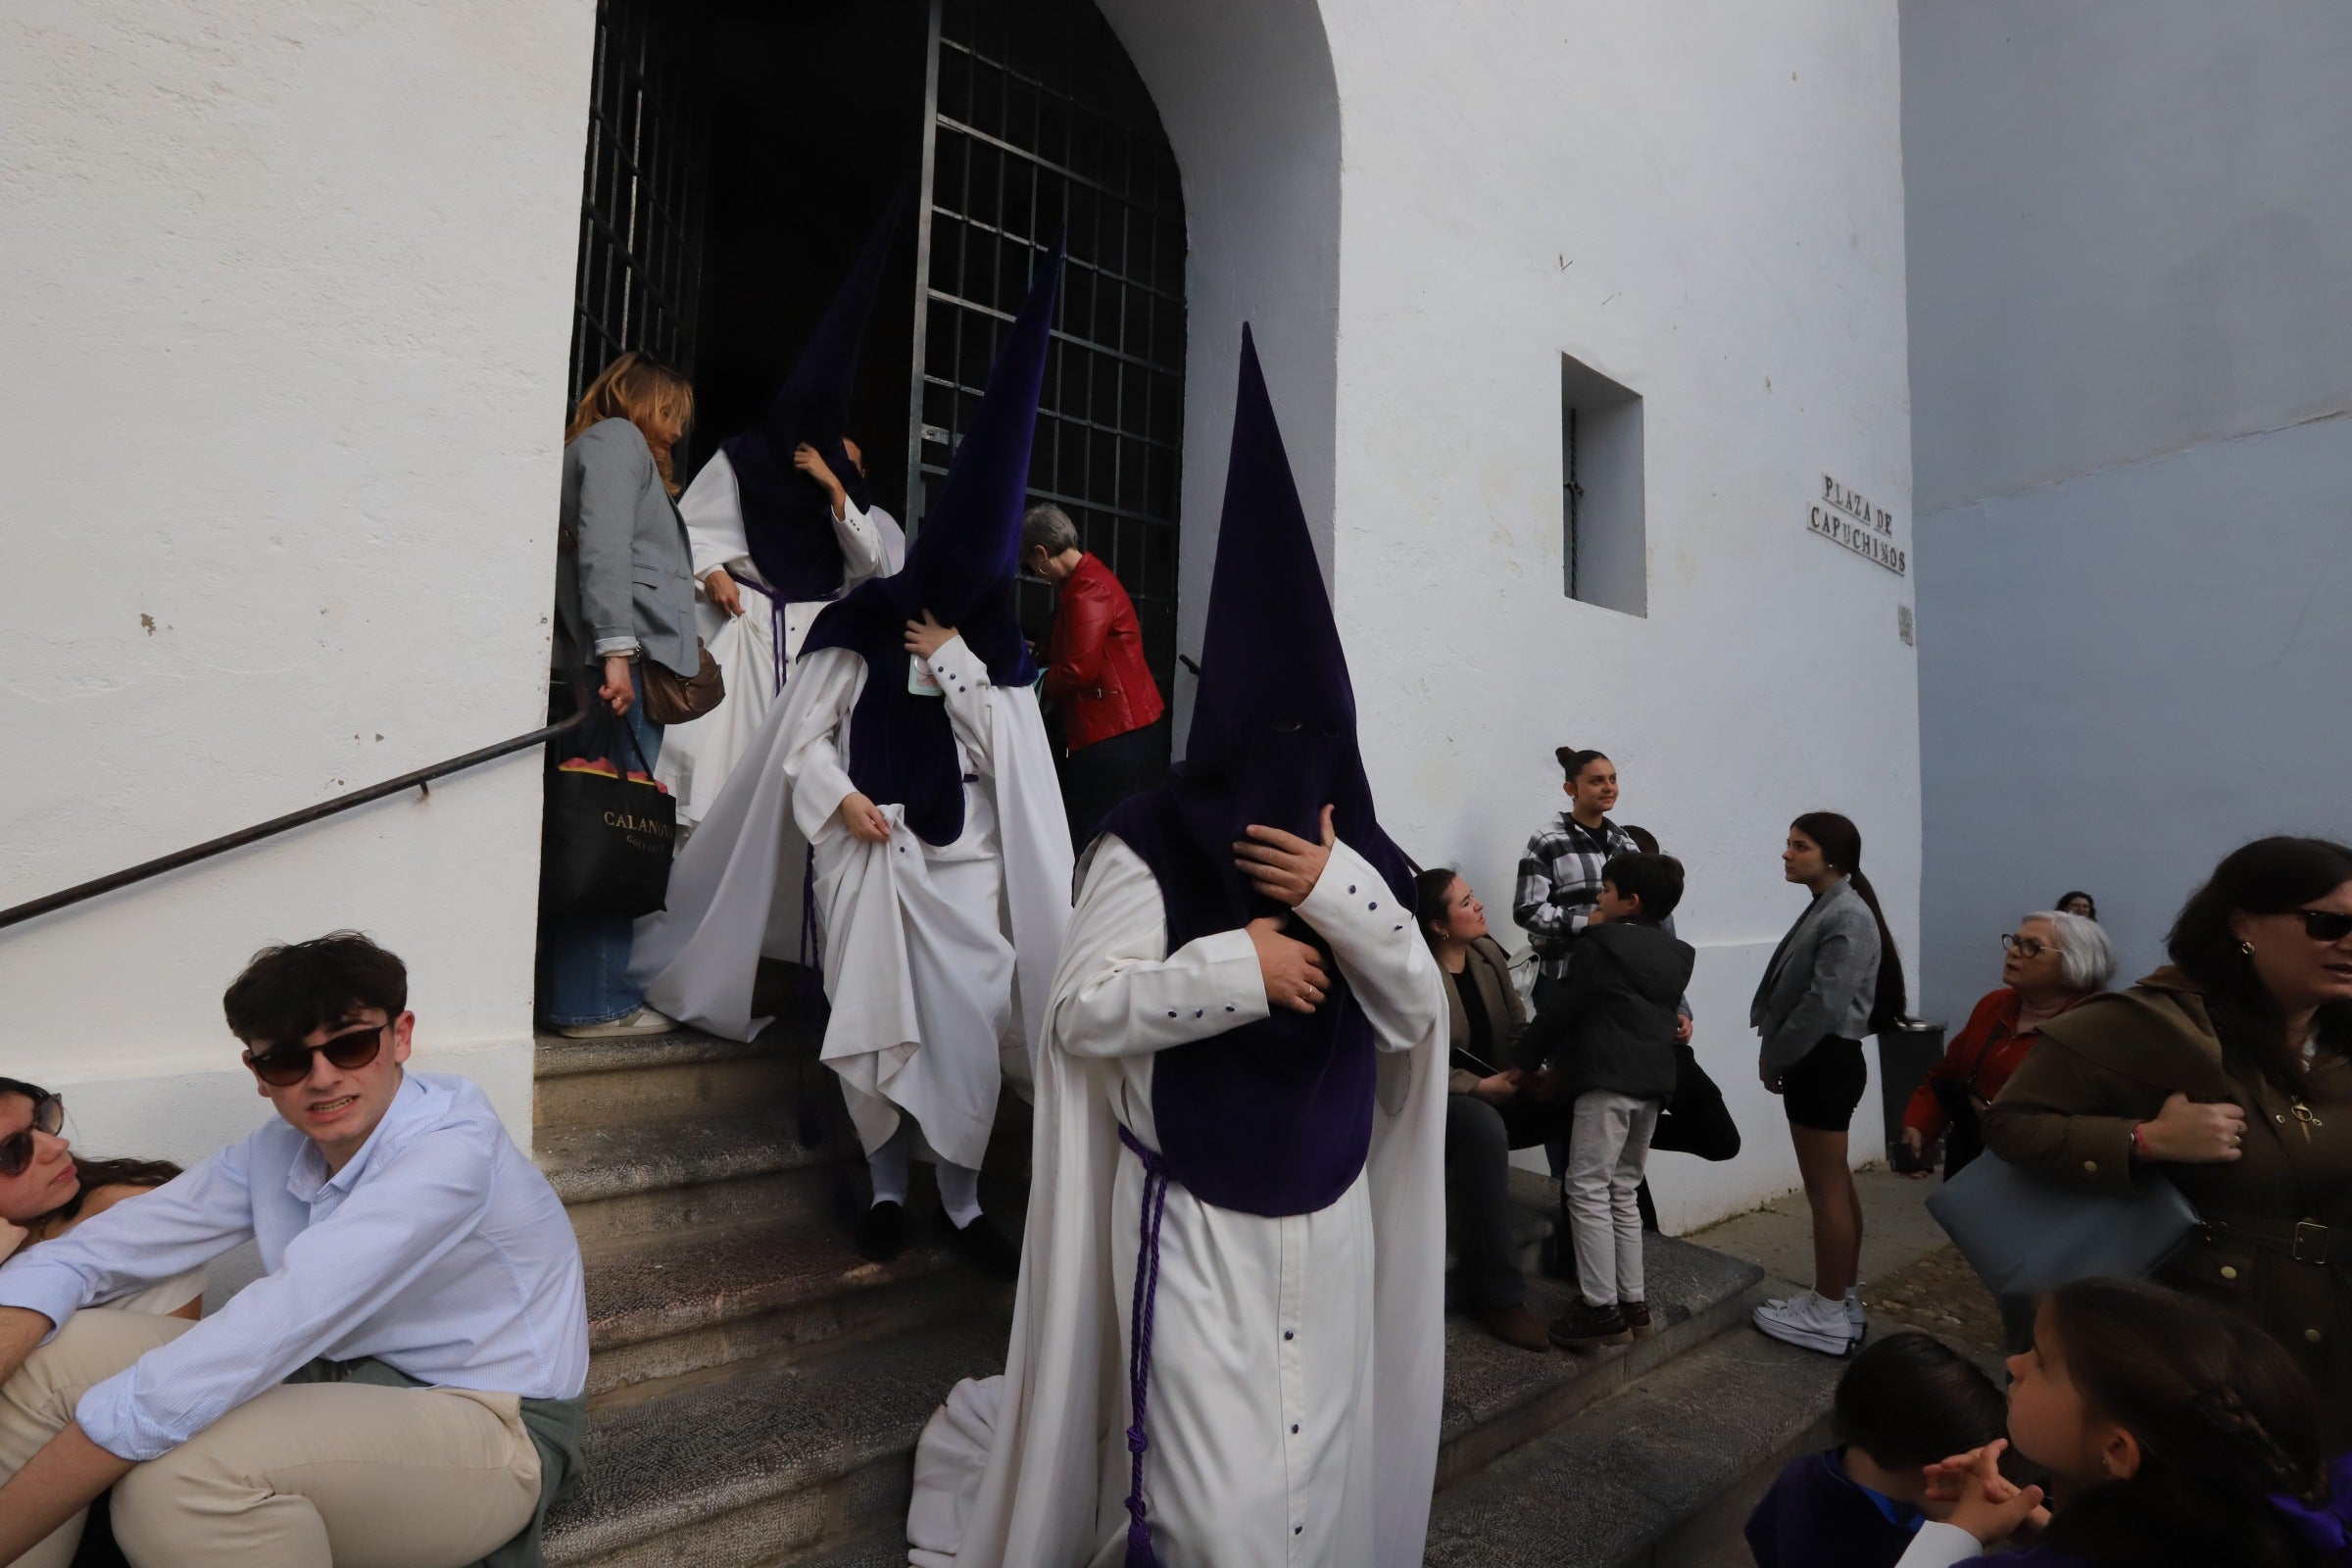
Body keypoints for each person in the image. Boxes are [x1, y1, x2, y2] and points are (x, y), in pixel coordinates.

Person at [904, 326, 1447, 1568]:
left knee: (1314, 1480)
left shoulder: (1362, 848)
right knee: (1206, 1512)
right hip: (1192, 1216)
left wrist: (1343, 894)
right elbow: (1079, 1014)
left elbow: (1420, 1013)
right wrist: (1232, 972)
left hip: (1336, 1209)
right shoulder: (1149, 836)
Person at [632, 247, 1072, 1278]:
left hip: (962, 870)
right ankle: (883, 1189)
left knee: (963, 1036)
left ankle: (960, 1200)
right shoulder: (862, 627)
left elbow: (1009, 762)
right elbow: (801, 753)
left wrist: (955, 662)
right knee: (874, 1030)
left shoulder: (994, 654)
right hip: (869, 855)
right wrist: (844, 802)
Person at [0, 933, 589, 1568]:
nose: (323, 1077)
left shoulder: (449, 1154)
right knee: (49, 1358)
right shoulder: (275, 1150)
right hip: (336, 1371)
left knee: (179, 1483)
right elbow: (94, 1249)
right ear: (258, 1073)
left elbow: (273, 1323)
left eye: (350, 1044)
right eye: (288, 1060)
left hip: (489, 1414)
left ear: (401, 1037)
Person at [1981, 836, 2352, 1437]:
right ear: (2241, 923)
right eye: (2328, 922)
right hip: (2198, 1345)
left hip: (2331, 1345)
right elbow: (2010, 1124)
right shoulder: (2143, 1025)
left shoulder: (2342, 1041)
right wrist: (2145, 1140)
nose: (2350, 941)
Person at [659, 204, 909, 830]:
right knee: (719, 793)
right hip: (742, 636)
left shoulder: (836, 478)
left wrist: (833, 489)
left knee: (802, 797)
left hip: (808, 649)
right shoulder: (741, 463)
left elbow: (872, 562)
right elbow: (682, 538)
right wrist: (711, 571)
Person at [1897, 1277, 2351, 1568]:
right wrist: (2045, 1523)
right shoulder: (2261, 1524)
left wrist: (1963, 1532)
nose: (2015, 1364)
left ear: (2116, 1451)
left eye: (2043, 1362)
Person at [541, 350, 702, 1040]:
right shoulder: (615, 440)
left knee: (597, 824)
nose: (674, 433)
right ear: (641, 401)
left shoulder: (592, 447)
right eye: (670, 415)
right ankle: (595, 1002)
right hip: (619, 671)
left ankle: (584, 992)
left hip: (615, 664)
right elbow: (605, 550)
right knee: (609, 828)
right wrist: (615, 653)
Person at [1514, 854, 1693, 1348]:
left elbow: (1563, 1010)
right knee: (1624, 1188)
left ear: (1630, 902)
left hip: (1608, 1081)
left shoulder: (1601, 944)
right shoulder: (1674, 955)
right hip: (1653, 1085)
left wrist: (1523, 1061)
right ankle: (1633, 1302)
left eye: (1607, 888)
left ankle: (1599, 1308)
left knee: (1587, 1188)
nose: (1598, 896)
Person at [1751, 811, 1906, 1356]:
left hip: (1824, 1059)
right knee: (1834, 1182)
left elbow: (1824, 1002)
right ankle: (1838, 1298)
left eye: (1801, 846)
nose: (1788, 854)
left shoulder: (1847, 913)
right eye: (1788, 843)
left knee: (1825, 1190)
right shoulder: (1833, 905)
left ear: (1833, 857)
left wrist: (1778, 1054)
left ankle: (1825, 1307)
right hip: (1824, 1059)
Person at [1417, 866, 1553, 1350]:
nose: (1478, 906)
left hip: (1498, 1083)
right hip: (1435, 1100)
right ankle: (1498, 1296)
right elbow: (1408, 1058)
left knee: (1573, 1103)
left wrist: (1532, 1071)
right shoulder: (1418, 972)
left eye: (1474, 896)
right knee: (1481, 1127)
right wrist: (1477, 1088)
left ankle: (1585, 1253)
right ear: (1438, 925)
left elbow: (1516, 1027)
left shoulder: (1486, 954)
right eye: (1465, 902)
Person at [1745, 1331, 2007, 1568]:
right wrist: (1961, 1531)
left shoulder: (1803, 1471)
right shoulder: (1899, 1545)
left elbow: (1762, 1534)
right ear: (1940, 1467)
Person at [1899, 912, 2115, 1180]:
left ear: (2075, 962)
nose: (2013, 952)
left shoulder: (2095, 1027)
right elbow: (1947, 1073)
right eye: (2014, 941)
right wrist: (1918, 1126)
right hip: (1972, 1161)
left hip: (2041, 1174)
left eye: (2031, 947)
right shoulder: (1994, 1005)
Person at [1023, 502, 1166, 850]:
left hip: (1114, 736)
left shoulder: (1087, 589)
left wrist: (1030, 689)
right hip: (1122, 732)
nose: (1033, 573)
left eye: (1030, 565)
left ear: (1042, 553)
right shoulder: (1086, 581)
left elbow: (1077, 670)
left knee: (1102, 844)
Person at [1622, 822, 1738, 1229]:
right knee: (1625, 1174)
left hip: (1669, 1046)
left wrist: (1682, 1015)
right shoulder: (1604, 928)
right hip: (1630, 1053)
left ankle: (1623, 1134)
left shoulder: (1660, 915)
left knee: (1720, 1137)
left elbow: (1671, 974)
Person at [0, 1082, 198, 1320]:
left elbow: (176, 1343)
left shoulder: (132, 1211)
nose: (58, 1145)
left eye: (42, 1119)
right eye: (14, 1151)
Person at [1513, 747, 1641, 1011]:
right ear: (1570, 789)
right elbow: (1527, 911)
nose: (1608, 787)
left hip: (1618, 978)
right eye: (1596, 781)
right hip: (1563, 977)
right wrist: (1589, 921)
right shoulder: (1548, 840)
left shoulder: (1626, 844)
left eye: (1613, 779)